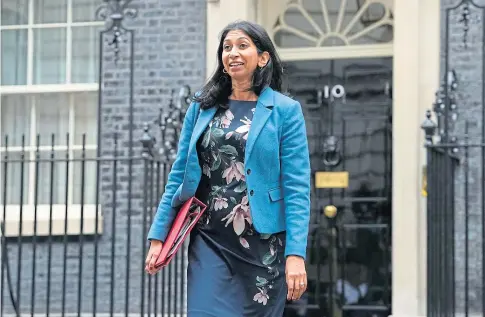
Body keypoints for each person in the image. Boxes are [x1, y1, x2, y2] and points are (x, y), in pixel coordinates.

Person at [145, 20, 311, 316]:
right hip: (210, 239)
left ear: (263, 58)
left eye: (242, 46)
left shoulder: (285, 111)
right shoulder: (202, 107)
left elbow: (297, 188)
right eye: (227, 47)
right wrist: (159, 236)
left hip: (264, 246)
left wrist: (295, 255)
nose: (233, 53)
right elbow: (179, 174)